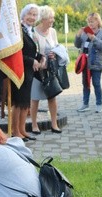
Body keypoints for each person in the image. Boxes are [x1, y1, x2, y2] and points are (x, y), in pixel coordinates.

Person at [30, 5, 66, 134]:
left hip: (50, 69)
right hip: (37, 70)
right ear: (43, 19)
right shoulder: (33, 32)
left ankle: (54, 124)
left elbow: (56, 46)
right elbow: (33, 52)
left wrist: (54, 54)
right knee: (35, 98)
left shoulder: (53, 31)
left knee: (52, 96)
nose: (52, 20)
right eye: (50, 18)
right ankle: (34, 125)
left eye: (53, 18)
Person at [11, 4, 43, 141]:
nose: (32, 17)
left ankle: (22, 129)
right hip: (19, 70)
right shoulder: (18, 31)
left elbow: (33, 50)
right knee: (18, 102)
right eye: (30, 14)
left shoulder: (31, 31)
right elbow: (16, 53)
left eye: (35, 15)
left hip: (29, 72)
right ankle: (15, 131)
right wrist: (32, 61)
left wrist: (41, 57)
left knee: (25, 102)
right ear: (23, 15)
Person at [75, 12, 102, 113]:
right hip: (85, 63)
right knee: (85, 83)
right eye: (89, 22)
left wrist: (93, 38)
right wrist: (78, 35)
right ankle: (85, 104)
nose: (90, 24)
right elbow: (77, 45)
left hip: (96, 63)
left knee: (96, 83)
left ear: (98, 22)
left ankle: (99, 104)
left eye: (92, 21)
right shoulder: (85, 33)